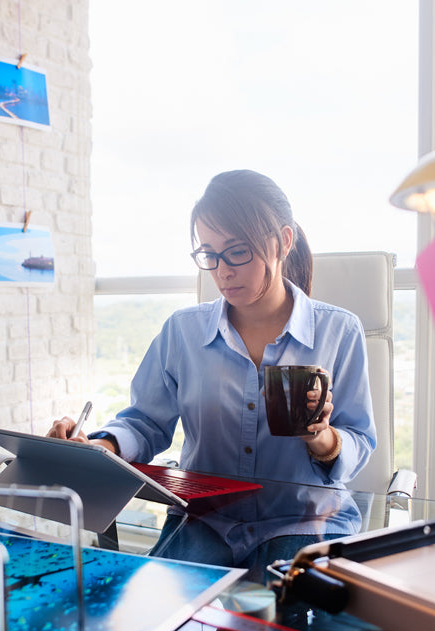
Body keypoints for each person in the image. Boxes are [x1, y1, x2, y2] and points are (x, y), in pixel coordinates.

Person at [47, 169, 377, 567]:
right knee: (149, 619)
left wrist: (321, 438)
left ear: (283, 241)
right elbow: (144, 423)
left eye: (238, 251)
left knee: (286, 626)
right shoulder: (183, 332)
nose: (223, 270)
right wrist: (100, 448)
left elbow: (359, 439)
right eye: (209, 254)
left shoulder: (338, 330)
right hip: (207, 520)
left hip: (303, 520)